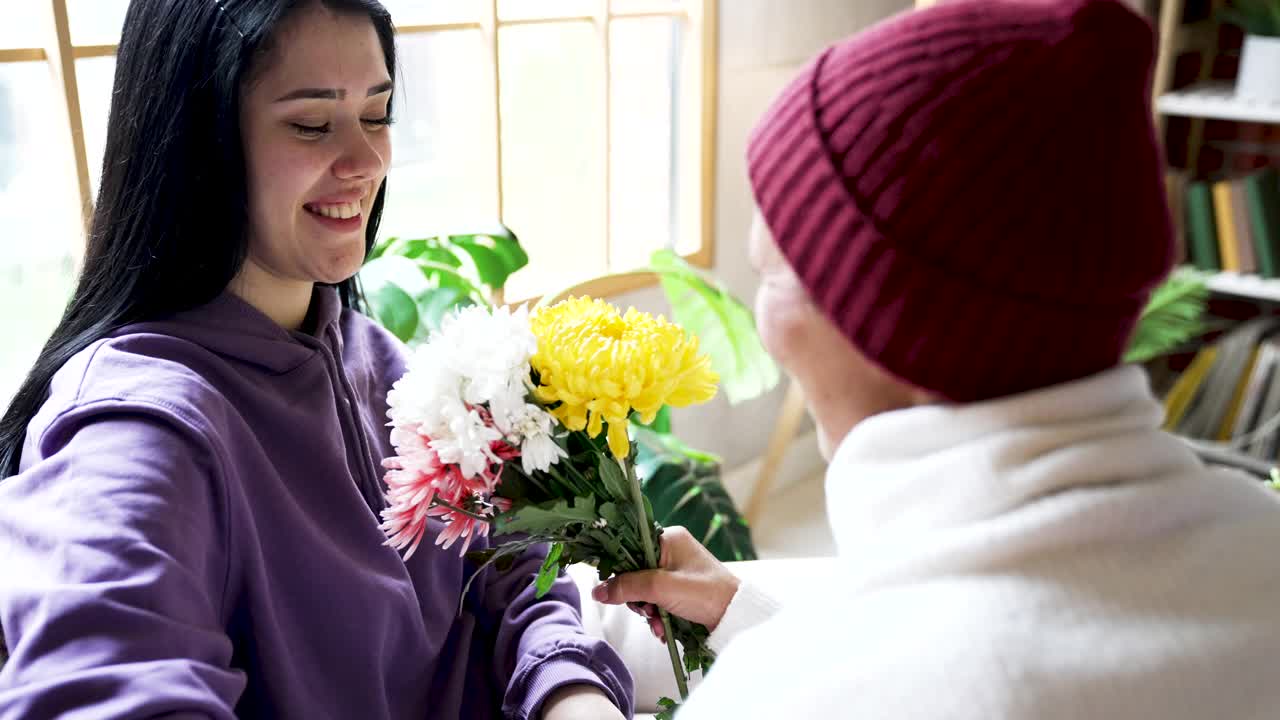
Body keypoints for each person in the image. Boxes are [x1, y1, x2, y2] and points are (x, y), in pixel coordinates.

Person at [594, 0, 1280, 717]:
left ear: (894, 323)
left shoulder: (799, 695)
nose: (764, 329)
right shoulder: (1262, 557)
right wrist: (764, 626)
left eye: (773, 274)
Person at [0, 2, 631, 718]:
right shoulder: (138, 430)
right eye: (310, 123)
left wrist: (573, 695)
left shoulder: (375, 356)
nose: (366, 163)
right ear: (197, 142)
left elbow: (509, 576)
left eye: (378, 113)